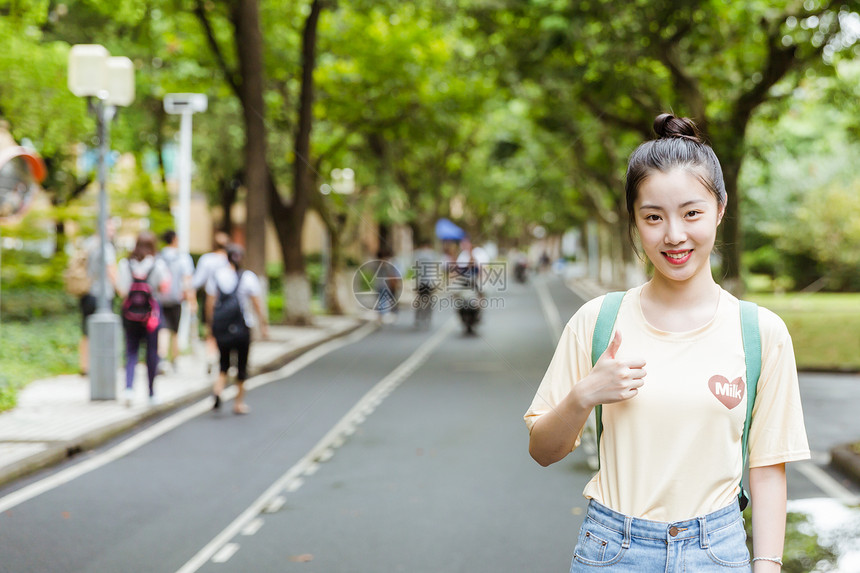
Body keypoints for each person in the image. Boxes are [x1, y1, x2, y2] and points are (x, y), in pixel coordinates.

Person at [524, 114, 810, 572]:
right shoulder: (598, 321)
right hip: (613, 550)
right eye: (653, 217)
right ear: (635, 223)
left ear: (719, 209)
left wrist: (768, 565)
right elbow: (542, 450)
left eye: (691, 213)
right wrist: (583, 395)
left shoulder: (760, 333)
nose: (674, 235)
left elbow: (768, 469)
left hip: (718, 552)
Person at [205, 244, 268, 414]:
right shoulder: (248, 277)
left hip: (222, 327)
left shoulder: (217, 276)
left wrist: (210, 325)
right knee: (242, 365)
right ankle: (238, 403)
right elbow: (256, 303)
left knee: (223, 363)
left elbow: (210, 303)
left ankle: (218, 391)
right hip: (242, 327)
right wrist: (263, 324)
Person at [117, 231, 171, 406]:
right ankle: (151, 393)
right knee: (151, 354)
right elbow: (163, 289)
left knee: (131, 351)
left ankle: (129, 389)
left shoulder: (126, 264)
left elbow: (122, 291)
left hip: (130, 315)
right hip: (151, 317)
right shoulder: (157, 264)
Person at [77, 219, 118, 376]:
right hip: (103, 295)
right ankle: (101, 366)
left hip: (87, 293)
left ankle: (85, 366)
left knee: (86, 331)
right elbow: (111, 271)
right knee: (104, 331)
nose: (112, 232)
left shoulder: (88, 243)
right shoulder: (106, 247)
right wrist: (122, 290)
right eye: (109, 229)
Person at [157, 229, 196, 371]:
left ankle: (161, 358)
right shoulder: (182, 258)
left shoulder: (159, 257)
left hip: (160, 298)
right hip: (176, 298)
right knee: (175, 330)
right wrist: (192, 300)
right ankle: (174, 360)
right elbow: (187, 281)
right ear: (174, 239)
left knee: (163, 329)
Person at [192, 231, 231, 369]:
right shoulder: (230, 259)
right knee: (227, 329)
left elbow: (196, 282)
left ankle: (211, 354)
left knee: (211, 327)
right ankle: (225, 357)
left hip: (211, 298)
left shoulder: (207, 259)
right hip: (229, 300)